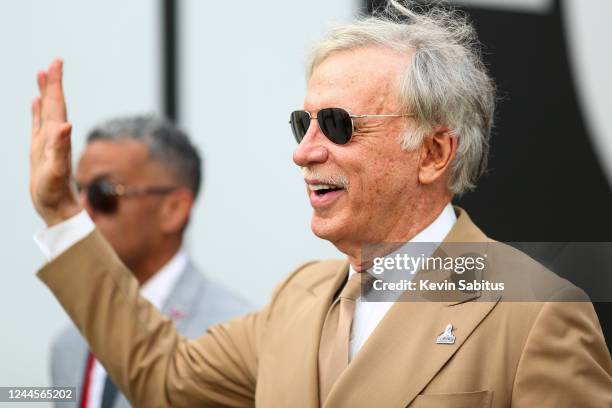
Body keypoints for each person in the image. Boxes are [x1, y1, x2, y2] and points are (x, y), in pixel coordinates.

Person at [29, 1, 611, 407]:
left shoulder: (536, 313)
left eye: (337, 125)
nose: (304, 153)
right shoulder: (297, 299)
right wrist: (60, 211)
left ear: (433, 152)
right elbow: (159, 377)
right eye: (301, 123)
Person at [42, 116, 253, 408]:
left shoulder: (232, 335)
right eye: (78, 192)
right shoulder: (69, 345)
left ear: (174, 209)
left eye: (104, 194)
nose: (82, 212)